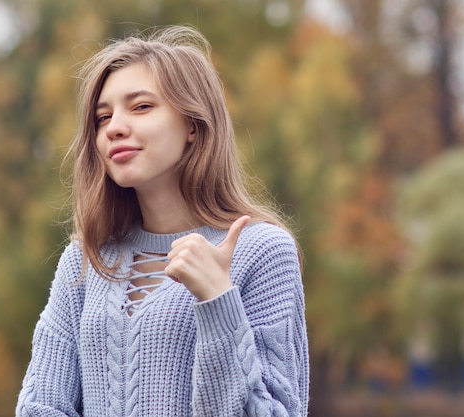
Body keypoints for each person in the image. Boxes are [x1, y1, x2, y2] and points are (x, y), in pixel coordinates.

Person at [16, 25, 309, 417]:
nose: (114, 127)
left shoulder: (262, 252)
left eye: (140, 107)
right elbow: (40, 407)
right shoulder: (86, 259)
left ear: (192, 123)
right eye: (103, 118)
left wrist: (218, 299)